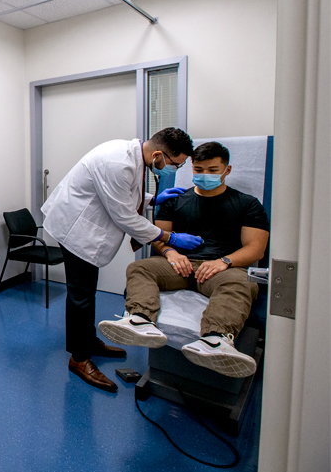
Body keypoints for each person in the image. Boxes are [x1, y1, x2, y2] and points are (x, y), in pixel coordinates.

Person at [41, 128, 204, 392]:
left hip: (87, 224)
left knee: (86, 291)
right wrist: (170, 238)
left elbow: (125, 194)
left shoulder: (135, 156)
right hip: (75, 227)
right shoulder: (118, 162)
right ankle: (79, 359)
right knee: (80, 295)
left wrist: (152, 199)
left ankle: (88, 341)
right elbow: (125, 216)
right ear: (160, 155)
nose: (175, 169)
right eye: (176, 164)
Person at [98, 141, 270, 377]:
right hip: (179, 266)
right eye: (198, 170)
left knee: (243, 284)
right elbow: (158, 237)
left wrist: (225, 262)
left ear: (226, 170)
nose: (204, 175)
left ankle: (215, 340)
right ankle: (139, 320)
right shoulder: (175, 200)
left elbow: (256, 249)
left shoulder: (247, 204)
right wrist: (171, 252)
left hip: (220, 269)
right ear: (191, 167)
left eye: (212, 170)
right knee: (140, 267)